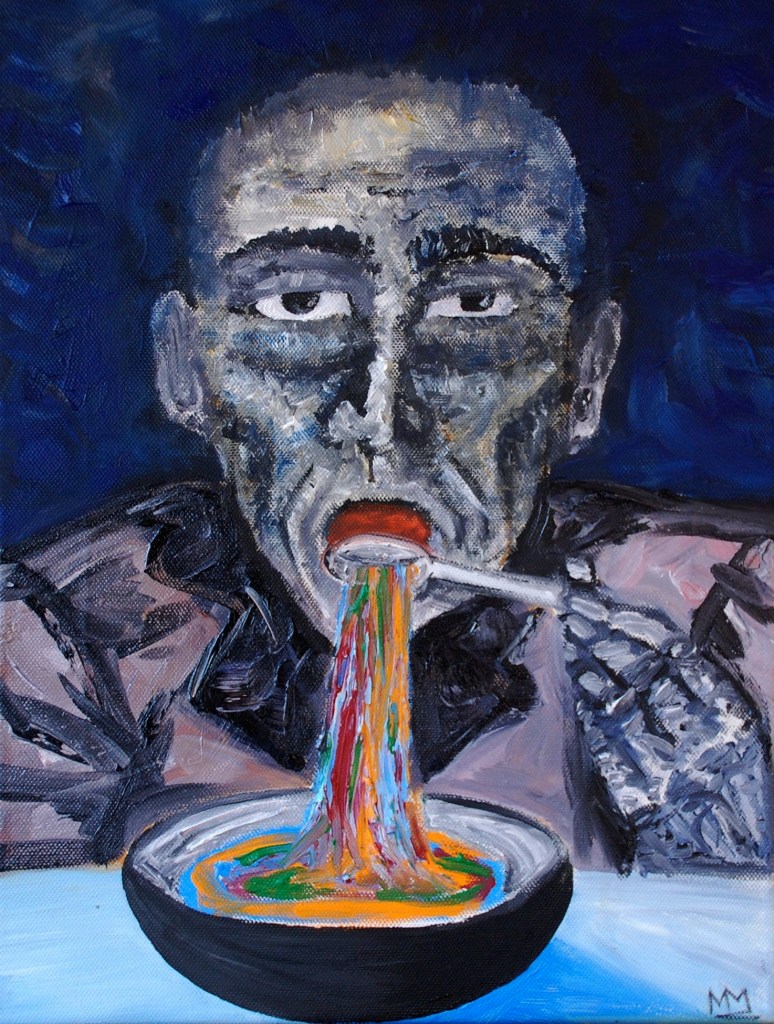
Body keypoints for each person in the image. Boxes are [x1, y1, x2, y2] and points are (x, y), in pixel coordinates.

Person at [1, 72, 770, 873]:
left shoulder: (739, 618)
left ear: (583, 376)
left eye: (475, 307)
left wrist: (728, 839)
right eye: (300, 305)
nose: (381, 416)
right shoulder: (56, 642)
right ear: (187, 369)